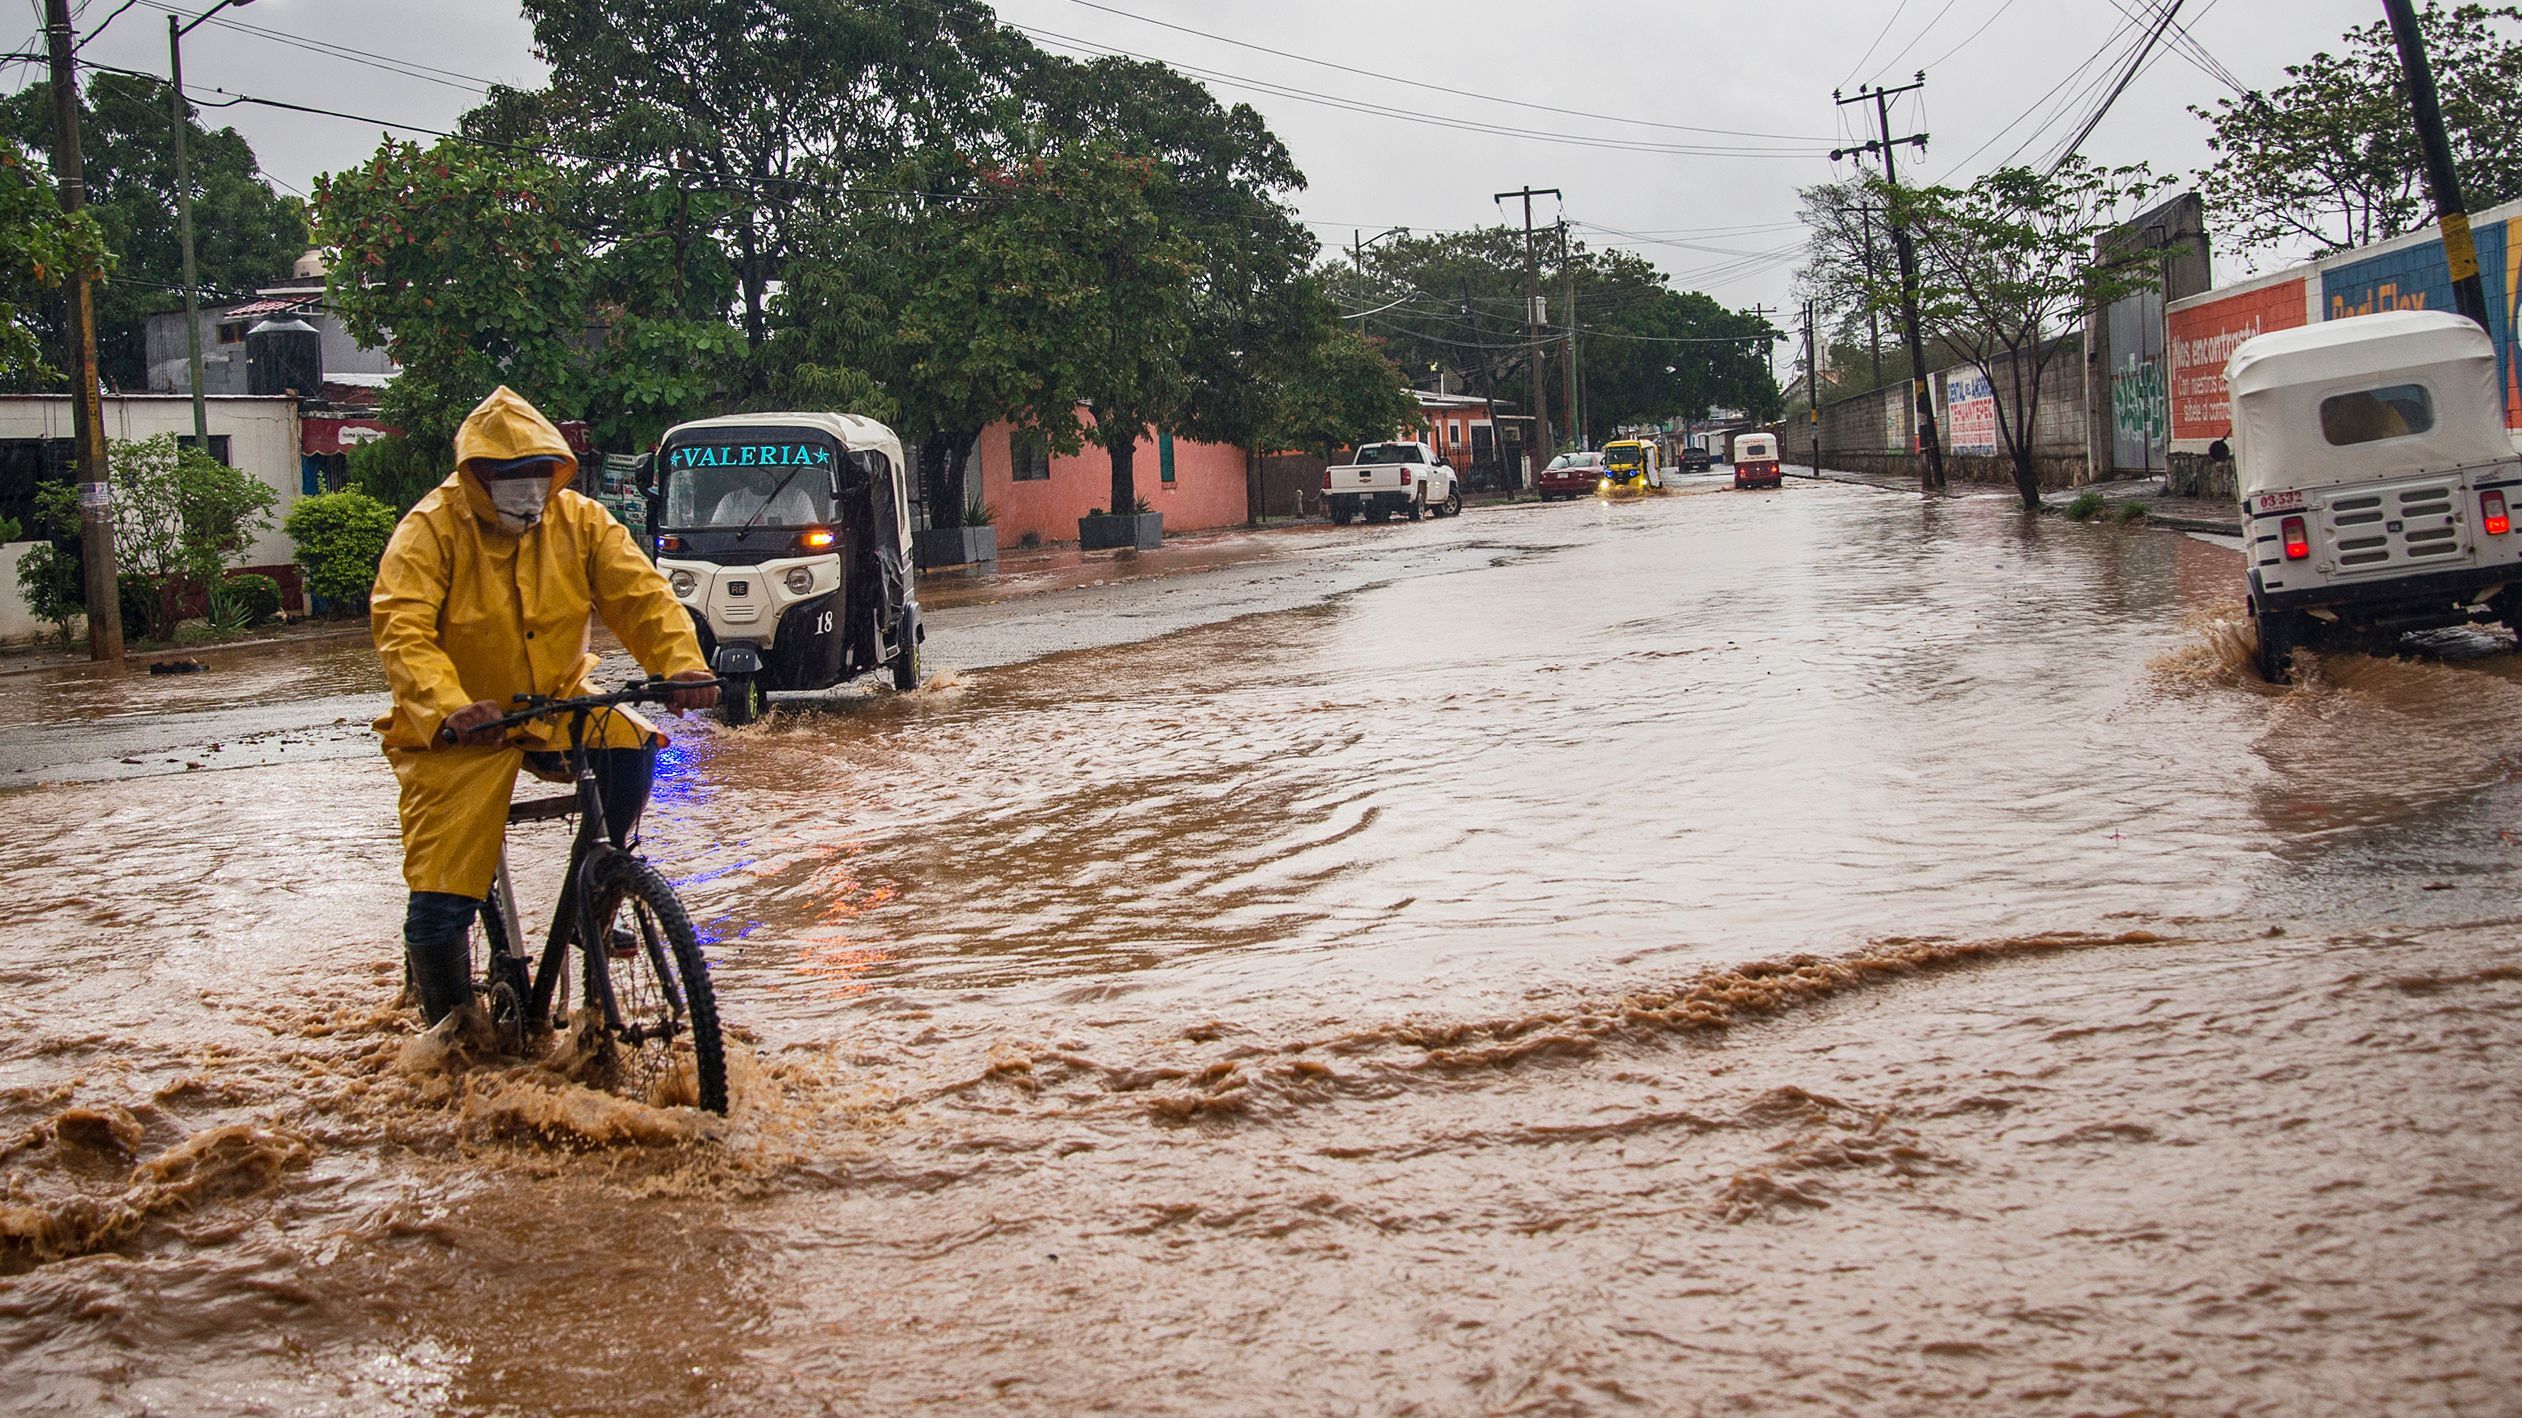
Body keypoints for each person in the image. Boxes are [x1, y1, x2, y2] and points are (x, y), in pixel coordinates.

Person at [370, 386, 719, 1025]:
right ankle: (449, 1039)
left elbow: (641, 596)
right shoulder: (430, 529)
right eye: (510, 477)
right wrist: (449, 707)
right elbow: (403, 628)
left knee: (633, 742)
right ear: (477, 477)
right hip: (459, 729)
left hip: (557, 703)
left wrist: (681, 665)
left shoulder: (581, 520)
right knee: (442, 891)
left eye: (538, 474)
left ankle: (601, 894)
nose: (528, 490)